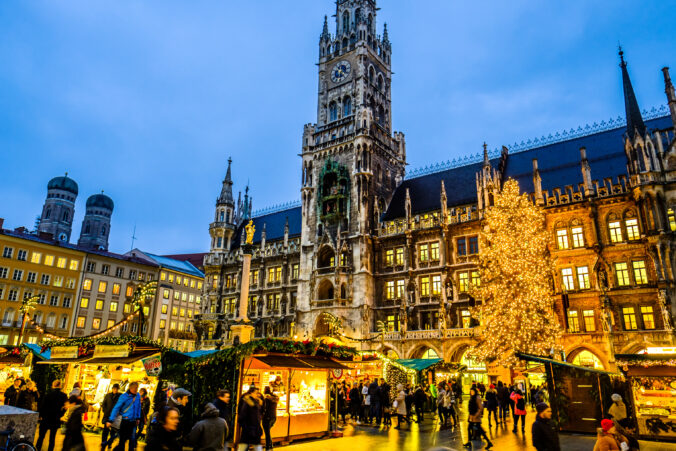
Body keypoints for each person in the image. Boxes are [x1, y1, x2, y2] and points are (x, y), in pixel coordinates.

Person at [107, 381, 142, 451]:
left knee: (132, 438)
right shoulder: (124, 396)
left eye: (137, 388)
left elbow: (138, 406)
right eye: (135, 388)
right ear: (130, 388)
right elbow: (116, 408)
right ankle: (113, 446)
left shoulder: (138, 395)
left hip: (133, 421)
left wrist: (138, 417)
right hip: (125, 421)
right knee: (122, 440)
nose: (136, 390)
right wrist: (111, 420)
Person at [35, 379, 67, 451]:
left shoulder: (48, 395)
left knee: (41, 436)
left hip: (46, 418)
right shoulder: (64, 396)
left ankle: (37, 448)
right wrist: (61, 414)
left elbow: (43, 406)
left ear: (53, 386)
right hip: (56, 419)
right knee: (52, 438)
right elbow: (65, 407)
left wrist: (40, 416)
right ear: (60, 386)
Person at [238, 386, 263, 451]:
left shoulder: (256, 402)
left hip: (254, 428)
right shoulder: (248, 402)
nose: (257, 395)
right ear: (251, 393)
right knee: (244, 446)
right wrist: (245, 426)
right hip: (249, 428)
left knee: (248, 445)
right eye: (256, 393)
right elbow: (242, 415)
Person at [101, 383, 122, 450]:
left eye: (116, 389)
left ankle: (110, 443)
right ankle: (103, 443)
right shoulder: (108, 395)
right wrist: (105, 411)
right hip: (107, 415)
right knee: (105, 431)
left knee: (113, 432)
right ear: (112, 389)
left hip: (115, 417)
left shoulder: (120, 396)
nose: (115, 390)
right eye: (114, 388)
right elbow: (104, 404)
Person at [262, 386, 279, 450]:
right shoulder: (275, 398)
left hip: (267, 417)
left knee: (267, 433)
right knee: (268, 432)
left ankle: (267, 447)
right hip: (274, 417)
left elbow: (264, 408)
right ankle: (271, 445)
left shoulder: (266, 399)